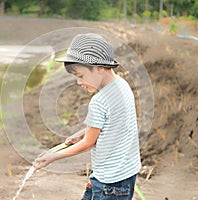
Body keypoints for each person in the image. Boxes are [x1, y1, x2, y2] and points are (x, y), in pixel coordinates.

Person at [34, 33, 141, 200]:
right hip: (126, 173)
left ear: (99, 68)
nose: (78, 82)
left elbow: (88, 144)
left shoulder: (99, 101)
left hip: (109, 181)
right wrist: (81, 133)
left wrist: (53, 156)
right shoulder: (122, 85)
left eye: (81, 76)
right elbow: (111, 122)